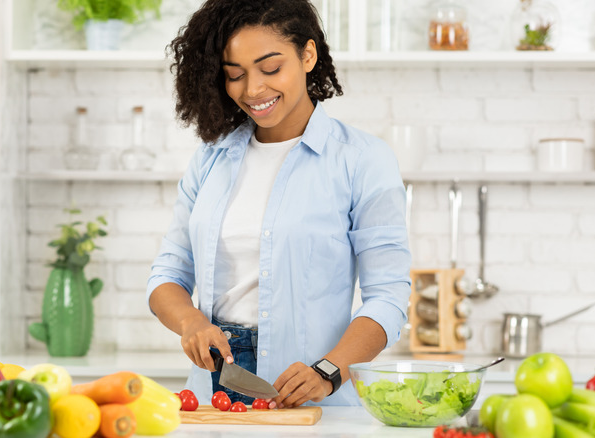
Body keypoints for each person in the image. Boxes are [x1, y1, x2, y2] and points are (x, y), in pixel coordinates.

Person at [147, 0, 412, 408]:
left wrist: (329, 371)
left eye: (270, 69)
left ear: (308, 55)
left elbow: (389, 298)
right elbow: (167, 275)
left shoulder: (361, 159)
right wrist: (191, 322)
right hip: (211, 395)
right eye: (235, 75)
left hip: (310, 397)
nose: (253, 90)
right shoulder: (211, 158)